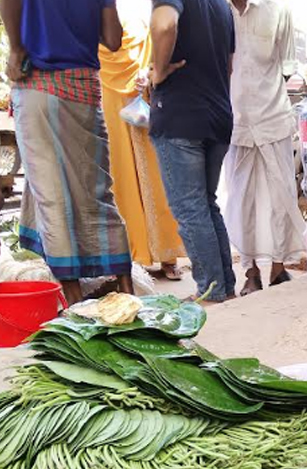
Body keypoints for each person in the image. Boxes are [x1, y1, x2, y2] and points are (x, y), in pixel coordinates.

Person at [1, 0, 134, 304]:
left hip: (38, 86)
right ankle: (126, 291)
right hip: (85, 90)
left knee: (52, 197)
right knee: (97, 192)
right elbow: (113, 40)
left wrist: (17, 49)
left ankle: (74, 305)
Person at [146, 0, 236, 302]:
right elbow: (229, 66)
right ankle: (223, 288)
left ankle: (211, 291)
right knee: (206, 206)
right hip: (218, 113)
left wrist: (157, 72)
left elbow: (164, 24)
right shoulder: (221, 6)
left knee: (191, 209)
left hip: (180, 115)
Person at [223, 0, 306, 296]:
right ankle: (250, 272)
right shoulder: (218, 10)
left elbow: (286, 67)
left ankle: (279, 267)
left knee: (281, 196)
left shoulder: (279, 10)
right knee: (241, 199)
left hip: (273, 118)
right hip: (234, 120)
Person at [99, 0, 186, 280]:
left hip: (143, 104)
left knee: (157, 179)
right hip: (109, 103)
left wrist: (149, 73)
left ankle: (167, 256)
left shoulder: (141, 13)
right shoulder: (97, 19)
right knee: (119, 176)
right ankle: (129, 257)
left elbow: (160, 48)